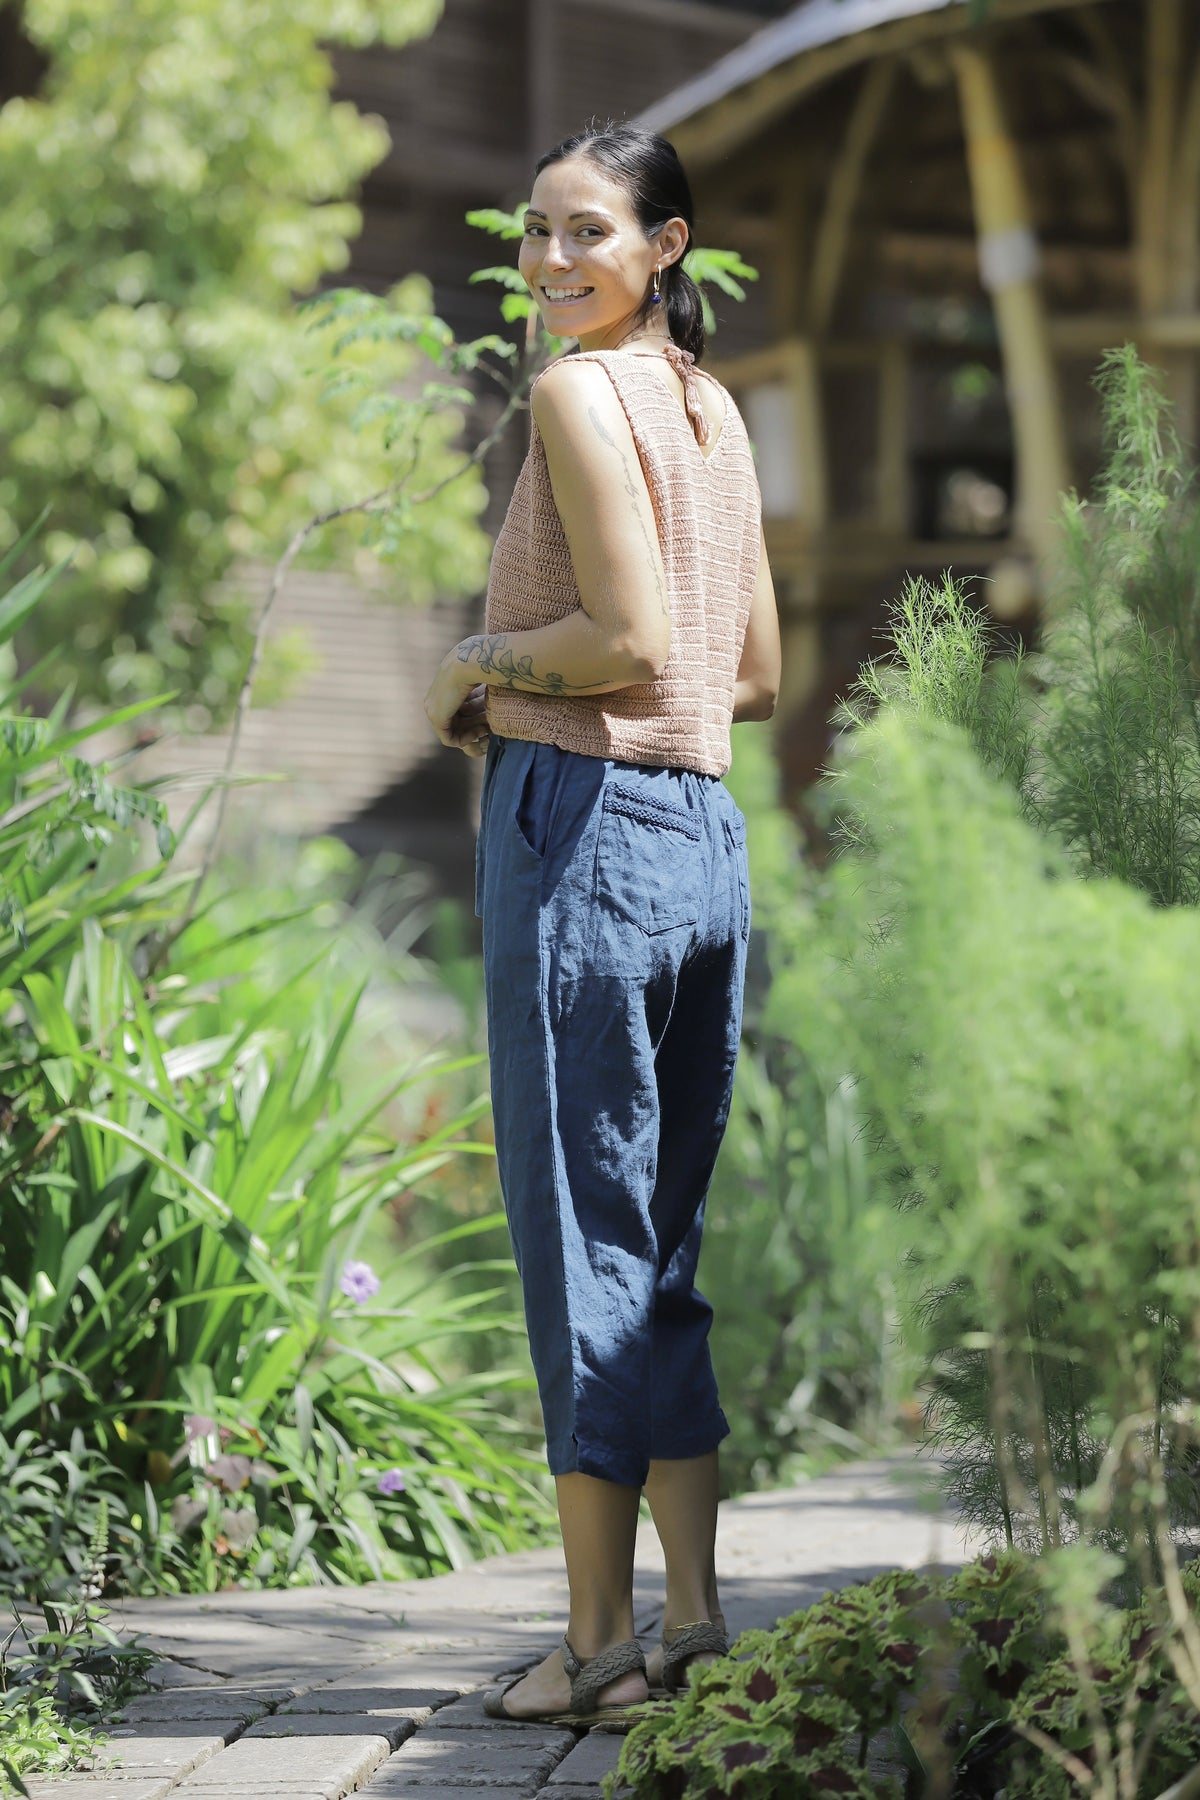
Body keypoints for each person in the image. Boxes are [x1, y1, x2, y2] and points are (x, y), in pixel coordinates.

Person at [423, 121, 781, 1726]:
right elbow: (749, 674)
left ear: (664, 247)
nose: (555, 262)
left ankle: (592, 1648)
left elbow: (622, 641)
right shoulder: (712, 408)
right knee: (666, 1244)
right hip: (706, 834)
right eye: (538, 234)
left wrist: (476, 665)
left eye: (590, 234)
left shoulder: (577, 394)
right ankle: (691, 1620)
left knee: (584, 1236)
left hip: (581, 826)